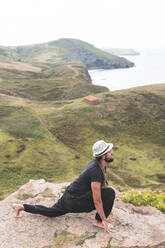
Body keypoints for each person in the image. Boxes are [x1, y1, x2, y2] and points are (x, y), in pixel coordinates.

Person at [12, 140, 115, 233]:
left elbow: (103, 186)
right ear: (103, 156)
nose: (112, 153)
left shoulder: (98, 164)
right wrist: (104, 220)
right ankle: (98, 221)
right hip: (75, 200)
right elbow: (97, 201)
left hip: (70, 195)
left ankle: (22, 207)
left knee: (52, 212)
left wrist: (107, 206)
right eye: (109, 152)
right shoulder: (96, 171)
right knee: (110, 193)